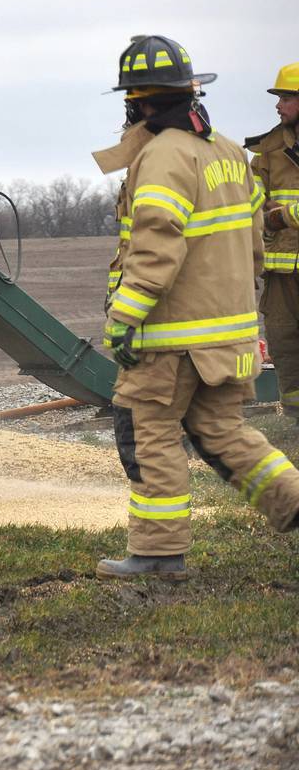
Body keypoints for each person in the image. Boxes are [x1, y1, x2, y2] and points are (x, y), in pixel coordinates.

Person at [94, 35, 299, 579]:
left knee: (146, 432)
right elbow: (257, 240)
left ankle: (158, 556)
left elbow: (156, 245)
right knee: (223, 432)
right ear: (190, 92)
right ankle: (294, 501)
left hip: (171, 341)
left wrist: (124, 319)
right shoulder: (231, 153)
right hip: (228, 333)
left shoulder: (163, 156)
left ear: (141, 101)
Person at [247, 62, 299, 418]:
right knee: (284, 345)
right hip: (282, 276)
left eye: (285, 97)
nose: (278, 105)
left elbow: (271, 214)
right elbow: (249, 207)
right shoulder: (268, 150)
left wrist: (282, 216)